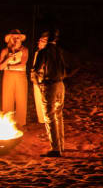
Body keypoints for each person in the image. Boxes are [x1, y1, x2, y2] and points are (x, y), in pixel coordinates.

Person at [31, 29, 72, 157]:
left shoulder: (44, 52)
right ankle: (61, 145)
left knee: (49, 116)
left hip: (50, 85)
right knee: (58, 115)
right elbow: (70, 67)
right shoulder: (60, 51)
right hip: (61, 84)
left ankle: (55, 149)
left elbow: (36, 69)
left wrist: (39, 81)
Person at [0, 29, 29, 127]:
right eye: (14, 37)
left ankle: (21, 122)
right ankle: (8, 122)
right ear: (10, 39)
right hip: (8, 76)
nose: (16, 39)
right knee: (7, 98)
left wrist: (8, 66)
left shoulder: (24, 50)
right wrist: (8, 58)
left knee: (21, 98)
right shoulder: (5, 51)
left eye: (18, 37)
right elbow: (0, 67)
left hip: (20, 75)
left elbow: (22, 64)